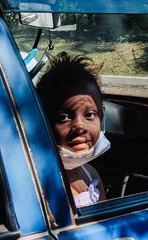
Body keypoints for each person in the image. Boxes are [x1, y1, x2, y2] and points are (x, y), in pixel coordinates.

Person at [36, 53, 109, 208]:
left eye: (90, 114)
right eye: (63, 117)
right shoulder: (39, 183)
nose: (79, 127)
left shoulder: (90, 174)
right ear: (42, 121)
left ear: (101, 116)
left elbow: (107, 222)